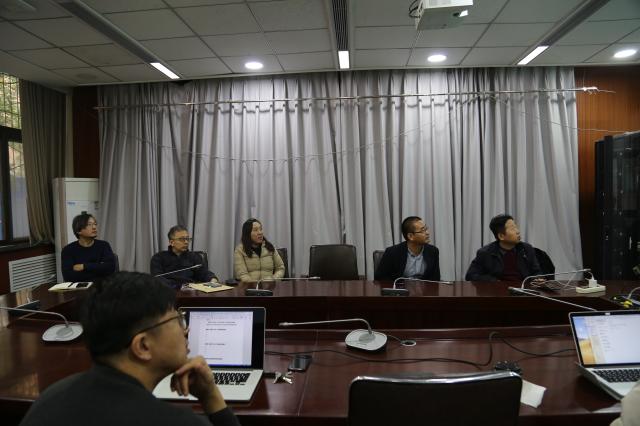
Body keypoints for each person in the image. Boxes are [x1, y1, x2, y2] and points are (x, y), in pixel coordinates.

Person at [19, 272, 240, 426]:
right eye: (178, 320)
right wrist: (212, 397)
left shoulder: (51, 397)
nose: (186, 329)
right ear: (142, 346)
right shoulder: (176, 422)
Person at [465, 214, 541, 281]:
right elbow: (470, 275)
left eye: (516, 227)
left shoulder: (527, 249)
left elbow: (537, 272)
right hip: (498, 291)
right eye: (512, 229)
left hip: (523, 290)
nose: (518, 231)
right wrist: (493, 281)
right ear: (501, 236)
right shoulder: (485, 253)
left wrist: (538, 279)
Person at [150, 226, 218, 290]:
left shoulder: (194, 257)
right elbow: (158, 278)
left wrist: (212, 279)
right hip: (168, 292)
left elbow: (204, 273)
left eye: (187, 239)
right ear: (171, 242)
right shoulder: (158, 258)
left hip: (191, 292)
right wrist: (179, 286)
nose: (186, 242)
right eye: (182, 239)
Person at [374, 216, 440, 281]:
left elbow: (435, 279)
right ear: (410, 236)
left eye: (426, 229)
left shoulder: (433, 251)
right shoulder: (392, 252)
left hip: (425, 288)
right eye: (423, 230)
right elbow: (380, 279)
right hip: (401, 288)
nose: (427, 233)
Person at [61, 213, 116, 282]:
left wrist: (84, 266)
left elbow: (110, 268)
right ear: (78, 231)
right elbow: (68, 277)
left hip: (101, 286)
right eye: (89, 224)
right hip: (79, 287)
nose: (94, 227)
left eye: (95, 224)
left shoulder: (104, 245)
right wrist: (99, 267)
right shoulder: (68, 250)